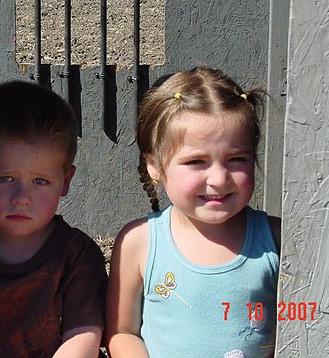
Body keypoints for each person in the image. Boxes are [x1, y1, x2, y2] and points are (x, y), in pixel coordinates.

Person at [105, 66, 280, 358]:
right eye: (196, 161)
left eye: (236, 159)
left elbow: (305, 318)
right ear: (154, 166)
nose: (219, 179)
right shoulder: (139, 243)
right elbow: (122, 332)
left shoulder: (276, 240)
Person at [0, 80, 107, 358]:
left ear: (65, 181)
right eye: (5, 178)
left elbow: (83, 339)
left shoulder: (78, 257)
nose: (22, 197)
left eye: (40, 181)